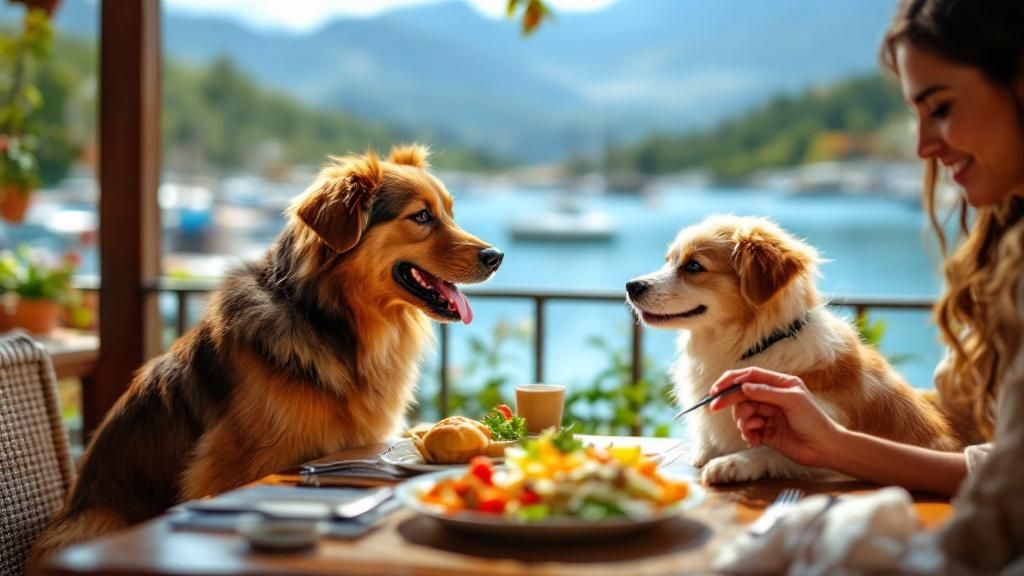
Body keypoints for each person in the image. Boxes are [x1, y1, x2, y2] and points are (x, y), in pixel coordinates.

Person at [709, 0, 1024, 571]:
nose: (924, 146)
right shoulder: (1006, 248)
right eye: (917, 117)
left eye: (943, 108)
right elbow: (1004, 472)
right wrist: (828, 443)